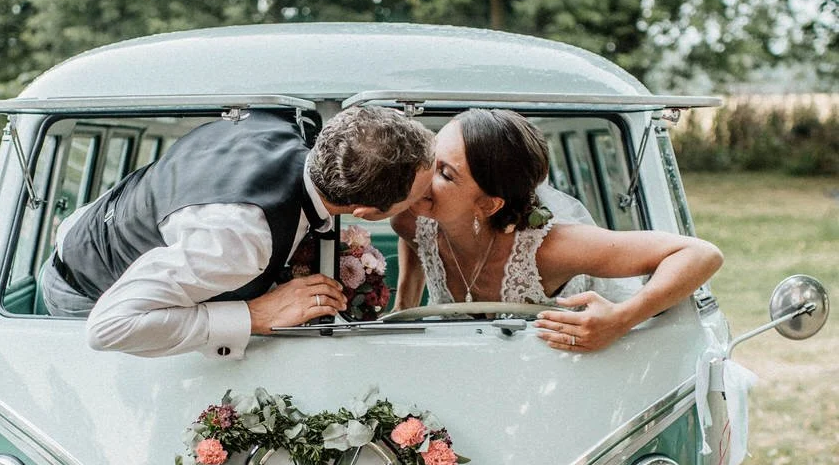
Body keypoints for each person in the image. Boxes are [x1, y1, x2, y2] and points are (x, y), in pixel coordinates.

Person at [40, 106, 434, 359]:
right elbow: (109, 328)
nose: (426, 201)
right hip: (85, 287)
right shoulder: (239, 242)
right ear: (367, 214)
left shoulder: (270, 121)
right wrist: (252, 314)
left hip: (103, 221)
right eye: (419, 196)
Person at [391, 108, 723, 352]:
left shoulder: (552, 248)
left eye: (445, 174)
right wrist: (404, 300)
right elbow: (414, 241)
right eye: (431, 157)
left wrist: (620, 320)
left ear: (489, 205)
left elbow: (700, 254)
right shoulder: (408, 217)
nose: (422, 176)